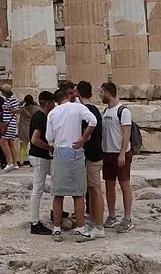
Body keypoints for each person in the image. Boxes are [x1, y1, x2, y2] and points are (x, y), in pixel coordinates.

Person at [44, 84, 96, 242]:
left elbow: (49, 138)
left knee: (58, 194)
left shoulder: (52, 113)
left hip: (60, 153)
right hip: (75, 151)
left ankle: (57, 229)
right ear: (68, 96)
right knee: (78, 194)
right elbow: (93, 121)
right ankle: (80, 229)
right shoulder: (77, 108)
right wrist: (84, 138)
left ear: (57, 101)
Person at [99, 81, 135, 233]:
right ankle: (112, 215)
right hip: (107, 153)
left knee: (125, 185)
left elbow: (126, 133)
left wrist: (122, 154)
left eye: (101, 92)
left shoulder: (123, 111)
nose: (100, 95)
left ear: (107, 92)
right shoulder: (105, 112)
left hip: (121, 153)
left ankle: (127, 218)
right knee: (109, 186)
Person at [76, 81, 106, 235]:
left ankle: (99, 226)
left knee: (94, 190)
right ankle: (94, 221)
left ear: (77, 93)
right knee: (91, 190)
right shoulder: (94, 109)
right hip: (95, 154)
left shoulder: (85, 111)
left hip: (91, 156)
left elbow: (85, 135)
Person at [26, 90, 55, 235]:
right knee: (38, 189)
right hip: (39, 156)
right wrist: (49, 147)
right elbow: (35, 139)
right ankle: (34, 222)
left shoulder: (42, 116)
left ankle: (57, 210)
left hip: (44, 157)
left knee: (57, 179)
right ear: (49, 103)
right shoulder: (40, 118)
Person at [0, 84, 22, 172]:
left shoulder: (12, 100)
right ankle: (15, 163)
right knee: (11, 143)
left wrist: (9, 109)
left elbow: (18, 110)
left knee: (2, 142)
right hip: (8, 122)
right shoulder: (7, 100)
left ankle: (9, 162)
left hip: (9, 124)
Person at [16, 94, 38, 167]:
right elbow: (39, 106)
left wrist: (22, 102)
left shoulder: (22, 109)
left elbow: (16, 106)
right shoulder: (35, 108)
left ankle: (21, 161)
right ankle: (32, 162)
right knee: (33, 146)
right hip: (32, 128)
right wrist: (34, 102)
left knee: (23, 146)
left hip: (24, 129)